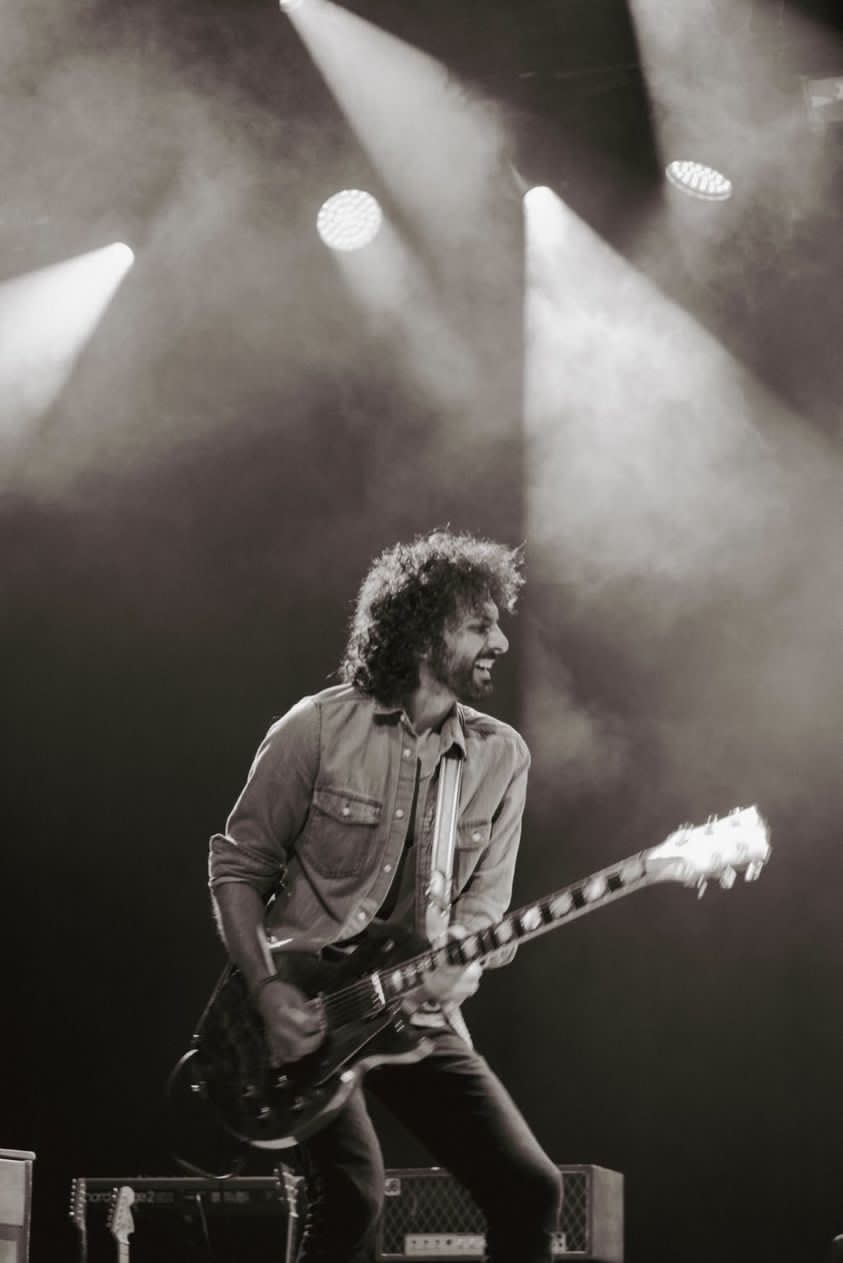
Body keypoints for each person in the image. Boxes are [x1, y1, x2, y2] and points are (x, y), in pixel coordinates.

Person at [208, 528, 562, 1262]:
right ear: (425, 631)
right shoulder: (313, 728)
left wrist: (464, 960)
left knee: (530, 1187)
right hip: (305, 1008)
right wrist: (266, 989)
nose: (500, 639)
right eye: (479, 623)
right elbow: (236, 869)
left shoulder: (502, 756)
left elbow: (483, 915)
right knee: (352, 1197)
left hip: (414, 1009)